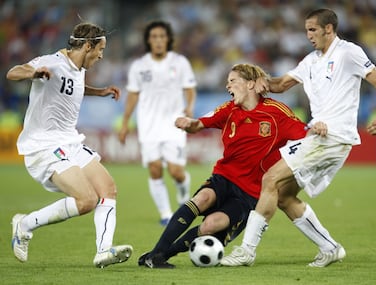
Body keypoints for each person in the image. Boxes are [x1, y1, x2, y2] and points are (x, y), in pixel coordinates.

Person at [221, 8, 376, 268]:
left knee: (270, 178)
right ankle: (330, 248)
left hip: (332, 136)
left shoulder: (348, 53)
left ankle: (246, 251)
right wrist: (255, 80)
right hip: (320, 135)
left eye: (313, 30)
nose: (309, 35)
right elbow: (279, 85)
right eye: (306, 30)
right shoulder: (311, 60)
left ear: (329, 29)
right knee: (283, 195)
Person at [137, 63, 308, 268]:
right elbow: (199, 124)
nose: (228, 86)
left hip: (251, 193)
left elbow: (305, 135)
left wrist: (320, 128)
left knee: (211, 225)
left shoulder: (275, 112)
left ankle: (162, 255)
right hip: (225, 177)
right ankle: (156, 254)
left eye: (232, 81)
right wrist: (188, 123)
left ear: (251, 84)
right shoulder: (228, 110)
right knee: (203, 197)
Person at [7, 22, 133, 268]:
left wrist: (99, 92)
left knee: (108, 190)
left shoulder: (78, 67)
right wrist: (32, 73)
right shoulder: (52, 62)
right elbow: (13, 72)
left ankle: (103, 252)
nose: (101, 55)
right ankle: (24, 225)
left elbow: (71, 86)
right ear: (88, 45)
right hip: (43, 146)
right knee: (86, 200)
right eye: (100, 49)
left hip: (70, 142)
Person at [118, 20, 197, 226]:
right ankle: (165, 214)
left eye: (162, 36)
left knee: (176, 172)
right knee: (154, 169)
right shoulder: (139, 66)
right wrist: (125, 122)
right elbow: (133, 95)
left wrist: (189, 107)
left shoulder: (180, 62)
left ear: (168, 39)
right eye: (154, 37)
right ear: (148, 40)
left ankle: (183, 196)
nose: (158, 41)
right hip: (148, 126)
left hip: (174, 124)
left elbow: (189, 88)